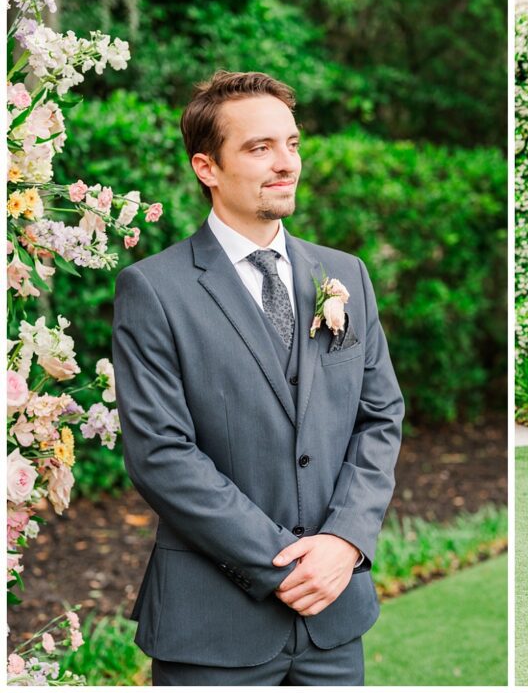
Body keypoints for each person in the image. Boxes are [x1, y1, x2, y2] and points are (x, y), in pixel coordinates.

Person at [112, 71, 404, 684]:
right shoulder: (155, 290)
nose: (286, 163)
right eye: (259, 148)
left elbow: (380, 418)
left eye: (292, 144)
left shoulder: (343, 272)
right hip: (213, 626)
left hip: (333, 620)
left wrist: (345, 542)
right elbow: (160, 454)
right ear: (207, 168)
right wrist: (285, 567)